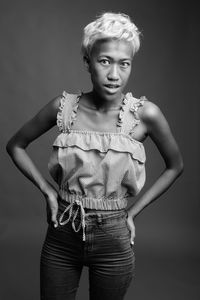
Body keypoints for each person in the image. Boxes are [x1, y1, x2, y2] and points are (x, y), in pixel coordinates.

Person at [6, 12, 183, 300]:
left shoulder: (145, 114)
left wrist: (133, 212)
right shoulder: (63, 108)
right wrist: (48, 193)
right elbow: (15, 145)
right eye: (105, 61)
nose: (115, 74)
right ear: (88, 62)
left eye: (124, 64)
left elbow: (176, 167)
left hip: (114, 236)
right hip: (62, 230)